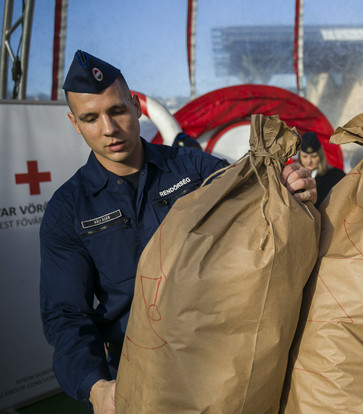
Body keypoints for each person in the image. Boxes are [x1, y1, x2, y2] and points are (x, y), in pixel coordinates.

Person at [39, 50, 317, 413]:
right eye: (91, 118)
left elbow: (261, 206)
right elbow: (67, 314)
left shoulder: (196, 168)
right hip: (141, 374)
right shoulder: (67, 210)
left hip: (227, 357)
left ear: (137, 106)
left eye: (118, 110)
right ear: (75, 124)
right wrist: (96, 387)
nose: (109, 129)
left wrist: (294, 188)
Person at [297, 131, 345, 207]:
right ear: (299, 157)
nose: (309, 161)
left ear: (320, 156)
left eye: (313, 156)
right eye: (305, 156)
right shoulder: (295, 178)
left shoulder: (337, 176)